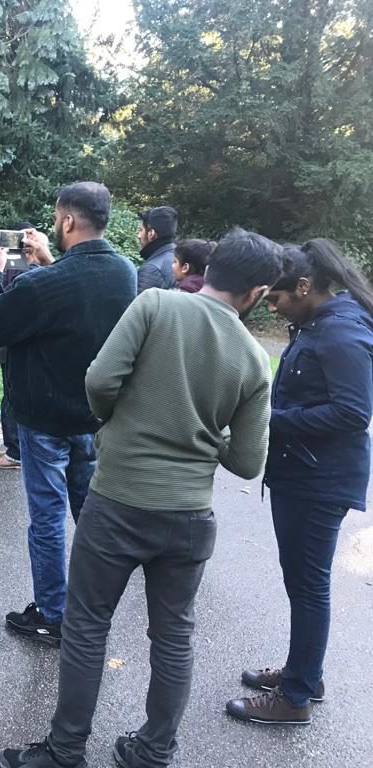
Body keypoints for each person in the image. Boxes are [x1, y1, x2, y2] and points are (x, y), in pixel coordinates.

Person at [0, 229, 284, 768]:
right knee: (174, 637)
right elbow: (248, 461)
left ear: (209, 267)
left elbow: (100, 380)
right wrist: (206, 436)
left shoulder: (155, 305)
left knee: (87, 626)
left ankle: (65, 751)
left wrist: (118, 419)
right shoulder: (253, 358)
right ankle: (153, 751)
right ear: (258, 292)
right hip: (189, 516)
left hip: (118, 502)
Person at [0, 182, 136, 644]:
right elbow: (77, 296)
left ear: (66, 221)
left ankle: (53, 613)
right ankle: (94, 607)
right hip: (94, 415)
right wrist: (48, 261)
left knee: (46, 519)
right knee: (92, 514)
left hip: (44, 418)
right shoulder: (124, 272)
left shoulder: (42, 283)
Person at [226, 239, 373, 726]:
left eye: (276, 297)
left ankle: (295, 698)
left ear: (305, 286)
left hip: (319, 480)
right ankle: (305, 674)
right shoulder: (319, 323)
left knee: (308, 586)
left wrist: (273, 420)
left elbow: (353, 412)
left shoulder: (341, 333)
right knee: (303, 583)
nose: (271, 306)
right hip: (304, 472)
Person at [0, 223, 38, 470]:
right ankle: (16, 447)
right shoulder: (12, 261)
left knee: (12, 396)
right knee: (13, 395)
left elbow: (4, 298)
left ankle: (16, 452)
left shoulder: (25, 264)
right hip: (15, 339)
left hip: (17, 340)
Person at [137, 206, 178, 293]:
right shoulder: (178, 257)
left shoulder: (152, 269)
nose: (139, 236)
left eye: (141, 230)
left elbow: (142, 301)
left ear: (151, 234)